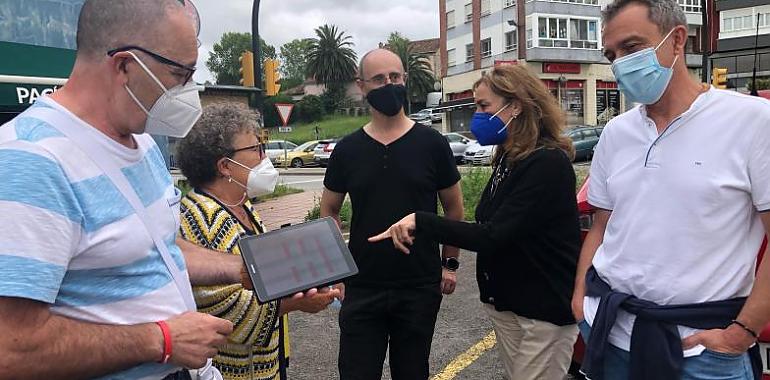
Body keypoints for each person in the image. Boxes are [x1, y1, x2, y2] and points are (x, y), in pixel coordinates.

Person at [0, 1, 320, 379]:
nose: (188, 90)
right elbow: (12, 348)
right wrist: (160, 341)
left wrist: (242, 268)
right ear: (123, 65)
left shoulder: (143, 142)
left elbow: (158, 244)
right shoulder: (30, 160)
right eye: (179, 73)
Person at [570, 0, 770, 379]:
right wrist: (582, 298)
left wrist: (741, 334)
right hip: (609, 333)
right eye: (611, 55)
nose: (620, 64)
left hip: (702, 352)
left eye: (632, 48)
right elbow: (601, 224)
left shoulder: (752, 122)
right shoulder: (616, 132)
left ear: (677, 40)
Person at [370, 64, 581, 380]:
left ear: (516, 106)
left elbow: (492, 234)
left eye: (484, 106)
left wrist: (422, 221)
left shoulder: (547, 163)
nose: (477, 115)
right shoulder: (509, 158)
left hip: (543, 314)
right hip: (510, 307)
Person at [320, 48, 464, 380]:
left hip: (419, 286)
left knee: (413, 373)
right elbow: (329, 208)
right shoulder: (348, 150)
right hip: (361, 286)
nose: (390, 84)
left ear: (406, 80)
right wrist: (335, 269)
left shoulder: (432, 144)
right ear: (362, 85)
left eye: (396, 77)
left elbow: (454, 208)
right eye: (380, 79)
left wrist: (450, 263)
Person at [175, 104, 340, 380]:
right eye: (255, 149)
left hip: (266, 364)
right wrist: (298, 304)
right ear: (225, 165)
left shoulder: (241, 205)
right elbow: (228, 313)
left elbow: (265, 275)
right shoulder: (204, 217)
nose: (264, 157)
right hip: (233, 372)